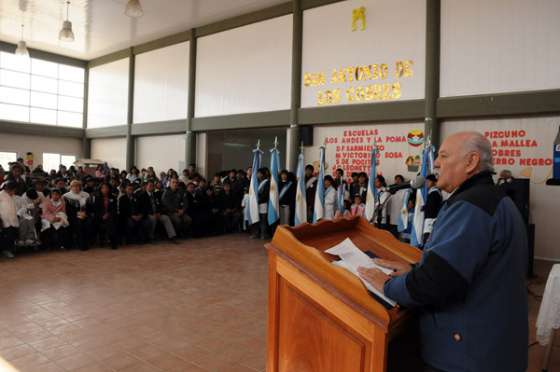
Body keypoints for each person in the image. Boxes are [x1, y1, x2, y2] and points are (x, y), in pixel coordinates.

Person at [358, 131, 528, 372]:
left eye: (444, 156)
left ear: (471, 162)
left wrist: (386, 285)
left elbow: (436, 283)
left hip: (467, 356)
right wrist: (415, 269)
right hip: (490, 348)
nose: (436, 163)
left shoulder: (471, 206)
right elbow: (468, 268)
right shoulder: (491, 199)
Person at [64, 180, 93, 250]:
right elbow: (67, 209)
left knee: (88, 223)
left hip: (85, 215)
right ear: (71, 187)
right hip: (72, 216)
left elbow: (90, 207)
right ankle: (81, 244)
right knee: (79, 223)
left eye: (78, 186)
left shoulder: (86, 195)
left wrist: (85, 214)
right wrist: (77, 214)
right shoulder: (66, 196)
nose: (76, 188)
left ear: (80, 187)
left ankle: (87, 242)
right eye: (74, 186)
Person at [92, 183, 119, 249]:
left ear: (109, 189)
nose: (105, 189)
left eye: (106, 188)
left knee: (111, 221)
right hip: (99, 217)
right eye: (103, 188)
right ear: (100, 189)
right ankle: (102, 240)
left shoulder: (113, 197)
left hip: (110, 216)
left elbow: (114, 209)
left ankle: (113, 242)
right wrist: (102, 215)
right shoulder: (97, 197)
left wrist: (108, 214)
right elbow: (96, 209)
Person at [0, 181, 19, 258]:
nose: (14, 192)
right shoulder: (1, 195)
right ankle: (6, 250)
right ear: (8, 189)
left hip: (13, 218)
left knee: (13, 234)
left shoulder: (14, 196)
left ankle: (10, 249)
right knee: (7, 235)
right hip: (4, 219)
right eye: (13, 190)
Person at [423, 174, 443, 244]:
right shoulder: (433, 192)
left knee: (427, 239)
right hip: (430, 218)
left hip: (431, 219)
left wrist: (424, 207)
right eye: (426, 181)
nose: (426, 183)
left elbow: (432, 207)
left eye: (428, 181)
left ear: (434, 182)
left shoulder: (434, 192)